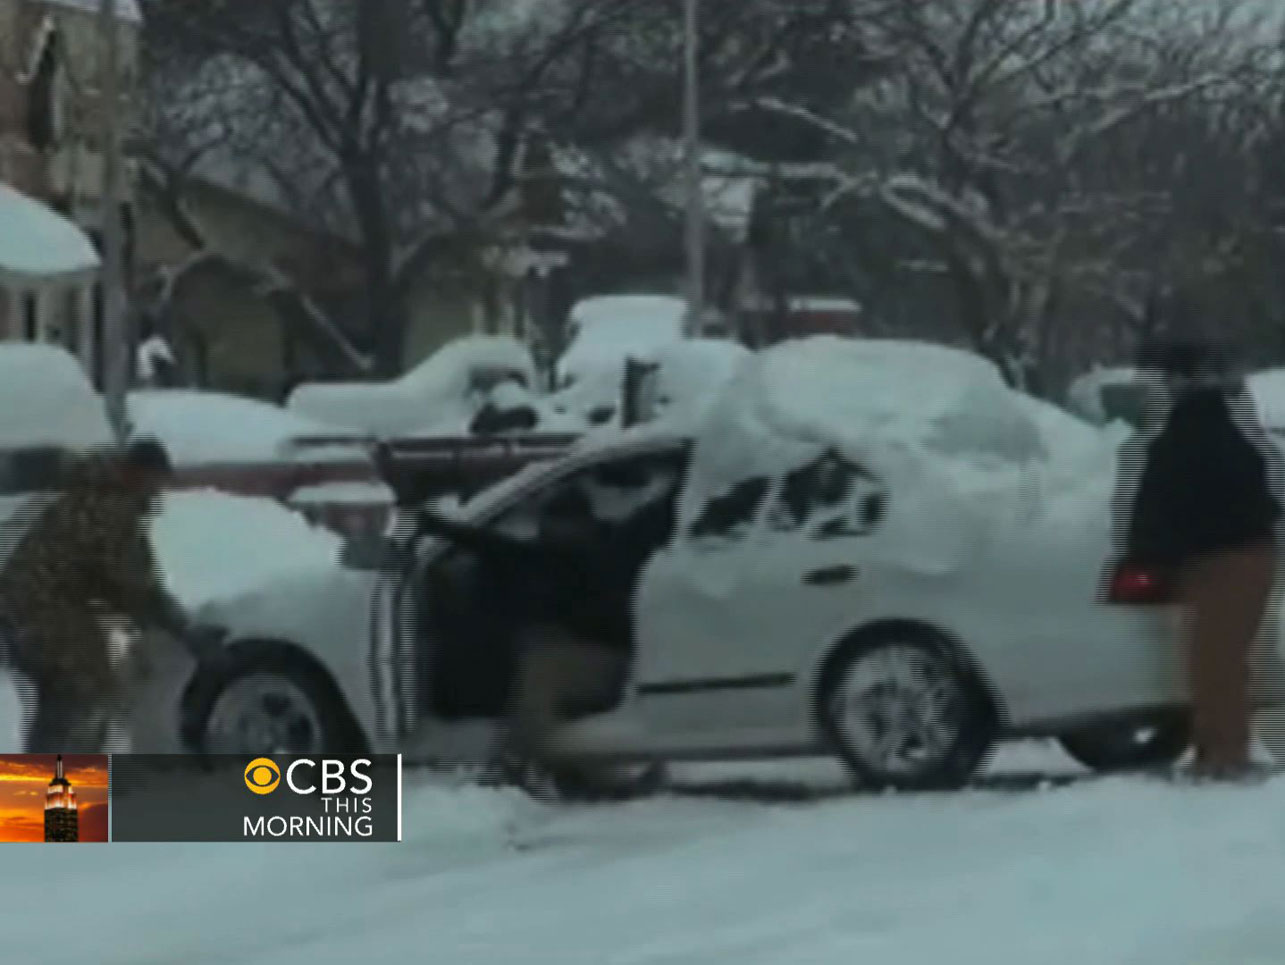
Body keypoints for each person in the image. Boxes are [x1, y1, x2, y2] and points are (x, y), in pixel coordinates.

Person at [417, 473, 679, 796]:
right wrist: (437, 528)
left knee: (541, 674)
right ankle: (572, 772)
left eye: (569, 523)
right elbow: (492, 546)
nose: (561, 531)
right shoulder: (536, 558)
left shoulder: (610, 551)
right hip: (569, 657)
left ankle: (519, 767)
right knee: (538, 667)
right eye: (554, 523)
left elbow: (653, 520)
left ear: (586, 523)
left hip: (610, 658)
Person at [1113, 334, 1282, 780]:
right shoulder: (1220, 424)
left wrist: (1141, 559)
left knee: (1213, 662)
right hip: (1249, 554)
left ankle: (1224, 757)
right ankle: (1221, 748)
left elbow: (1159, 504)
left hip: (1224, 560)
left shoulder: (1186, 433)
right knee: (1219, 659)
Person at [0, 438, 224, 753]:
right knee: (82, 692)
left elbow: (114, 583)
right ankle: (49, 787)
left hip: (34, 606)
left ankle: (64, 779)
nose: (157, 491)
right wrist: (183, 629)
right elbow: (135, 584)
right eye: (154, 481)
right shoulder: (110, 507)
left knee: (80, 692)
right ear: (136, 473)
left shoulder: (100, 494)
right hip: (38, 609)